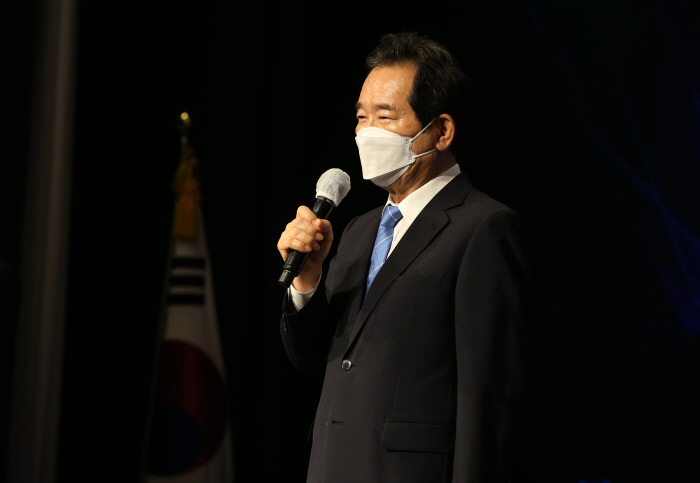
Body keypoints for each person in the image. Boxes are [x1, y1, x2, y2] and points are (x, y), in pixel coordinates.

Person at [277, 32, 541, 482]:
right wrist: (307, 281)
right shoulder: (358, 232)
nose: (367, 132)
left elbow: (490, 397)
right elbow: (314, 358)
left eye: (384, 116)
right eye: (361, 117)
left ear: (441, 131)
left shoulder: (484, 228)